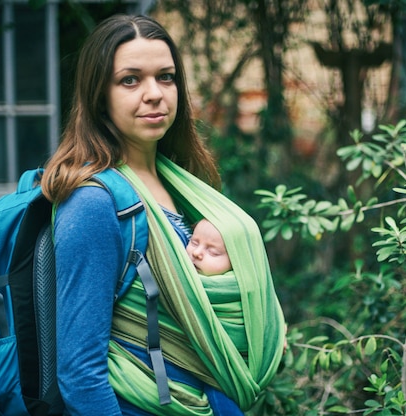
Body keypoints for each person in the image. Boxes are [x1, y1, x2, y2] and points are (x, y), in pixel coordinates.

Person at [41, 14, 286, 416]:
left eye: (166, 77)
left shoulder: (182, 186)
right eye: (130, 80)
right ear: (98, 94)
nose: (155, 94)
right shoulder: (93, 203)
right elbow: (79, 373)